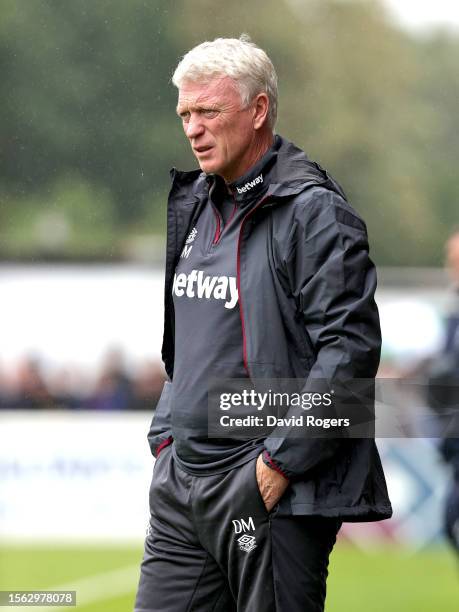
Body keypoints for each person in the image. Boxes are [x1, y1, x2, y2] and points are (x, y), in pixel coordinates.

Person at [135, 35, 392, 612]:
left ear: (257, 111)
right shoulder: (196, 203)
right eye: (185, 114)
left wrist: (278, 464)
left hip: (272, 489)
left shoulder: (314, 211)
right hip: (186, 486)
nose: (193, 129)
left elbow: (349, 354)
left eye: (208, 111)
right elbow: (191, 340)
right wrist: (167, 437)